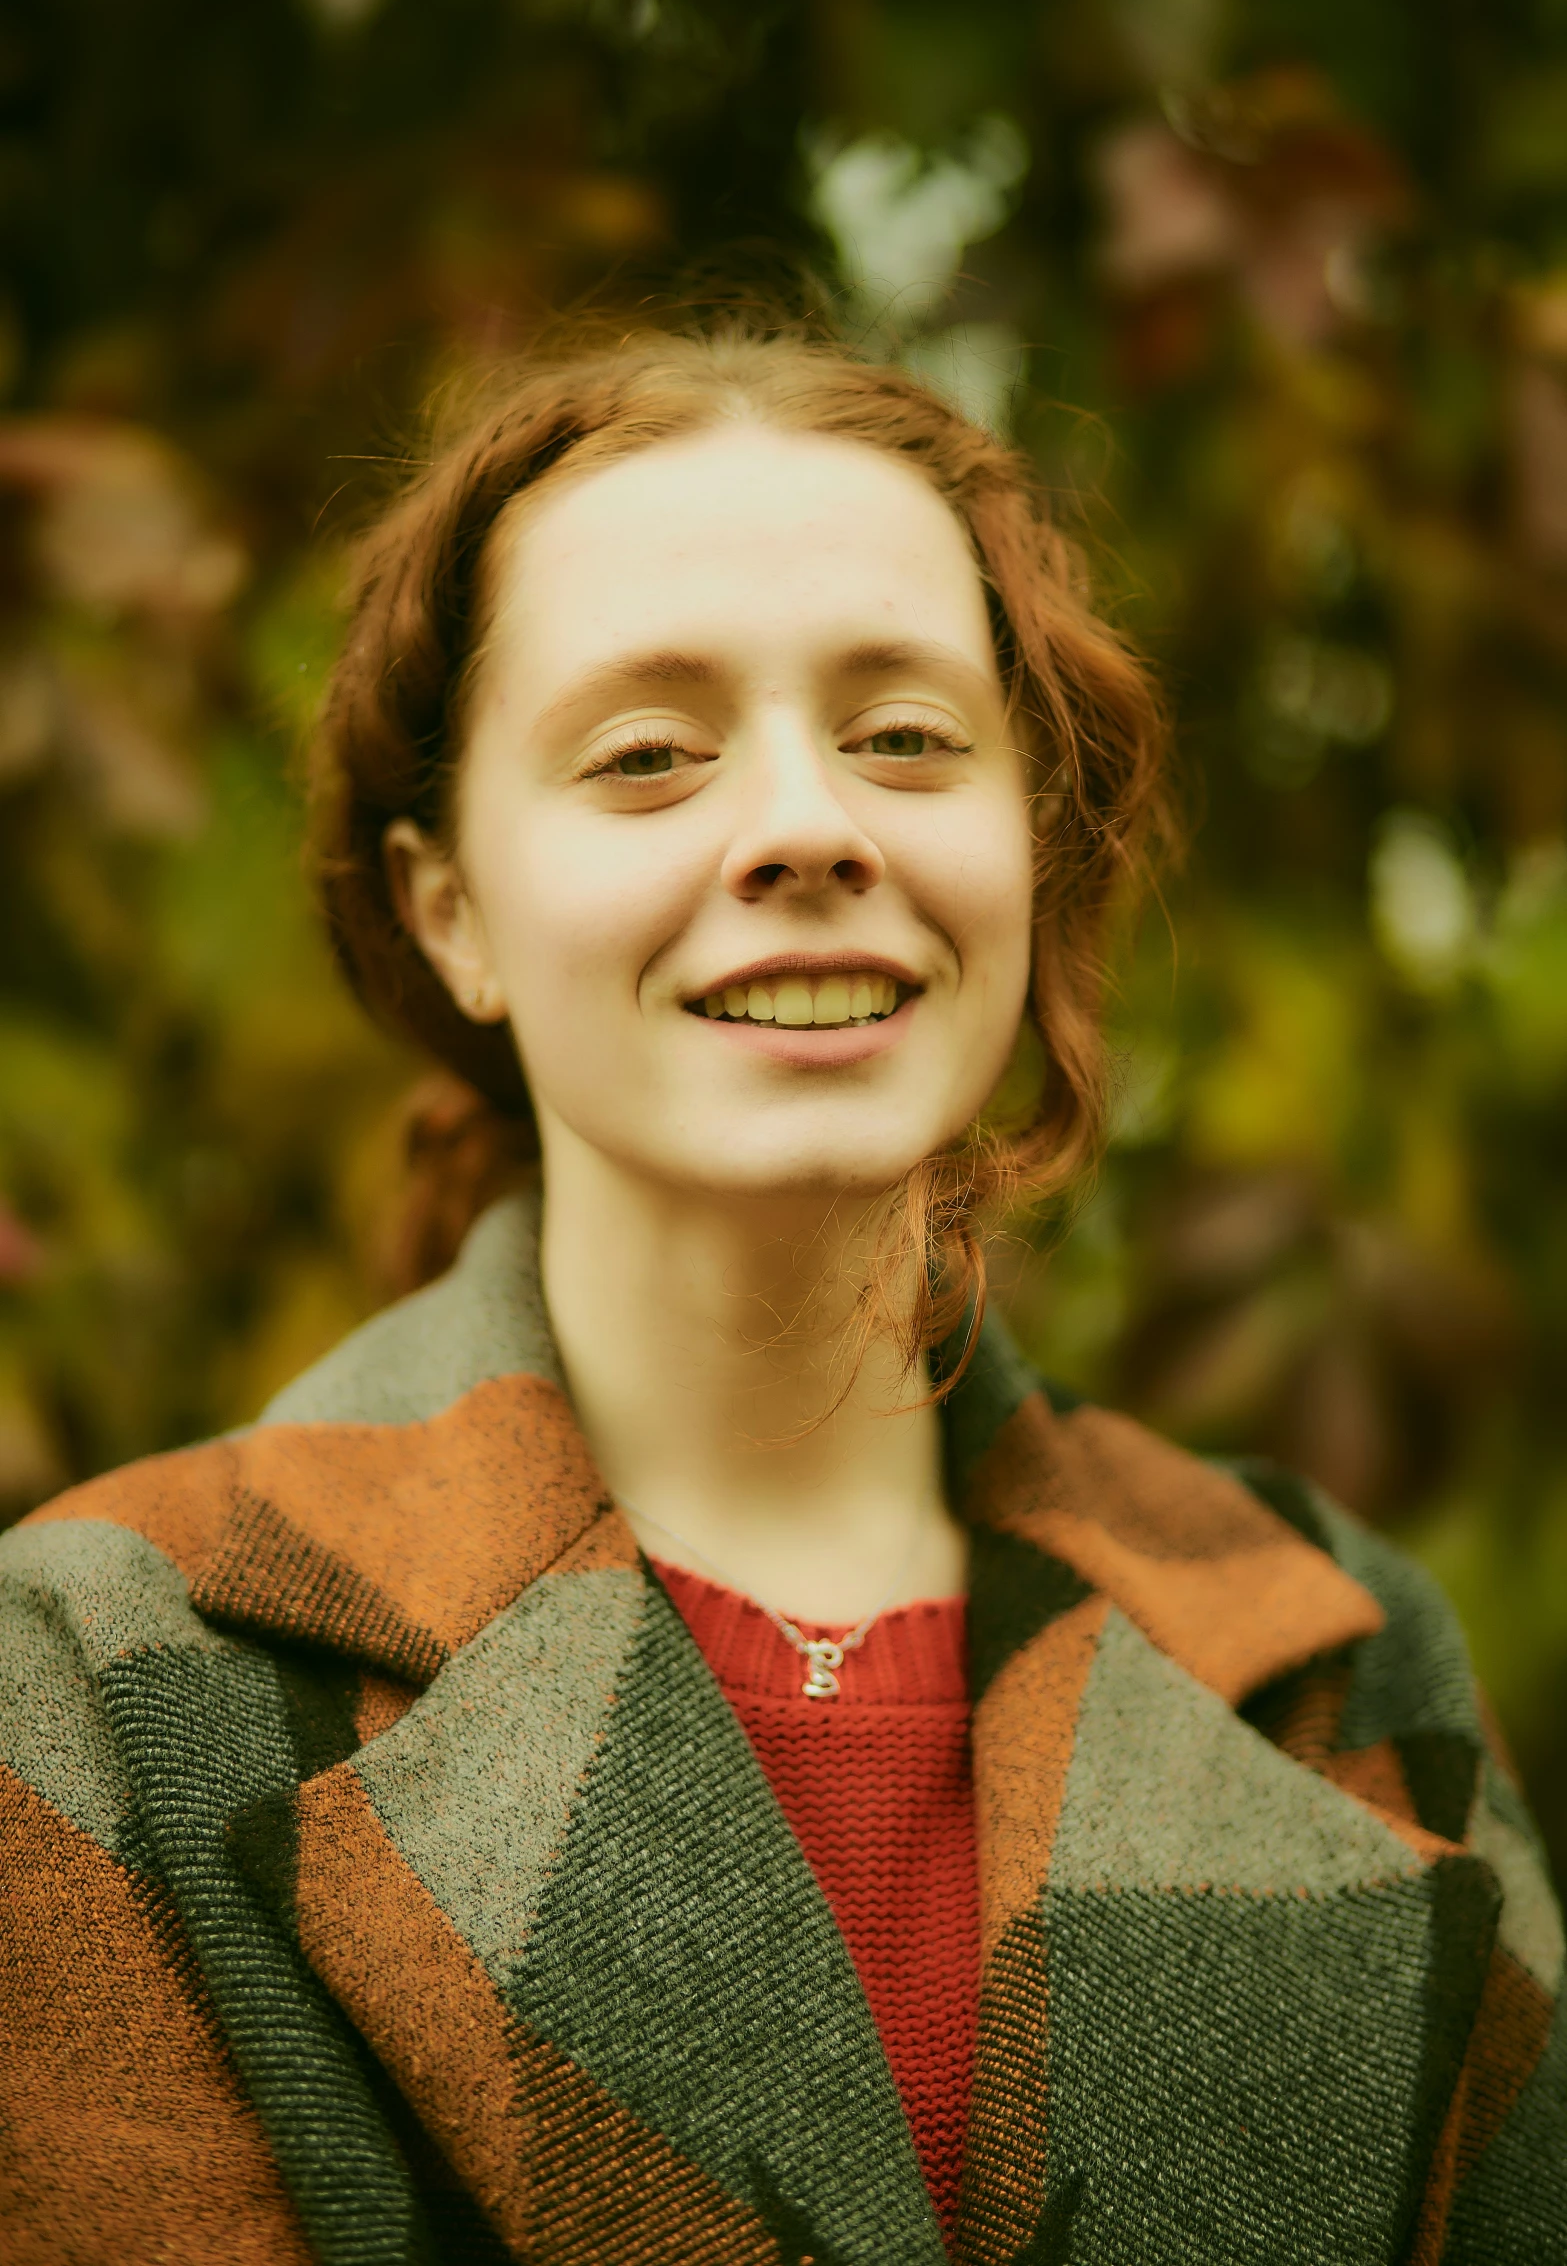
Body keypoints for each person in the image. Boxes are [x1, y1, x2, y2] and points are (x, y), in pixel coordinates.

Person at [2, 322, 1562, 2266]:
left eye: (906, 735)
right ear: (449, 907)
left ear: (1026, 842)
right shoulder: (101, 1670)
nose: (812, 825)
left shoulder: (1339, 1654)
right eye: (648, 753)